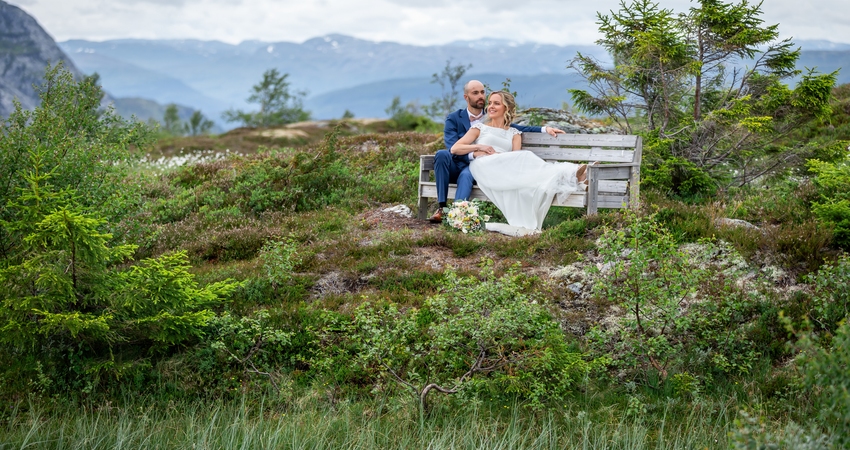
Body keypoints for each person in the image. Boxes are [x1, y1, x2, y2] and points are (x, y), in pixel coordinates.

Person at [428, 80, 564, 223]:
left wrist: (545, 129)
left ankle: (456, 216)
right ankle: (442, 208)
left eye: (482, 92)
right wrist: (475, 152)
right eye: (475, 93)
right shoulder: (455, 118)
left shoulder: (493, 116)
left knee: (468, 174)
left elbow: (516, 129)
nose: (481, 96)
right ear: (466, 97)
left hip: (486, 167)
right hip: (460, 163)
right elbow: (453, 148)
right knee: (442, 154)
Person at [451, 91, 587, 233]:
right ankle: (573, 173)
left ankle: (576, 175)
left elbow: (515, 160)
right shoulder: (480, 128)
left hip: (504, 169)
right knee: (525, 155)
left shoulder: (514, 133)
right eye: (490, 102)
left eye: (496, 103)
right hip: (484, 166)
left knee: (525, 163)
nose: (491, 106)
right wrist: (480, 147)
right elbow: (455, 148)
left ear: (507, 108)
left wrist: (545, 129)